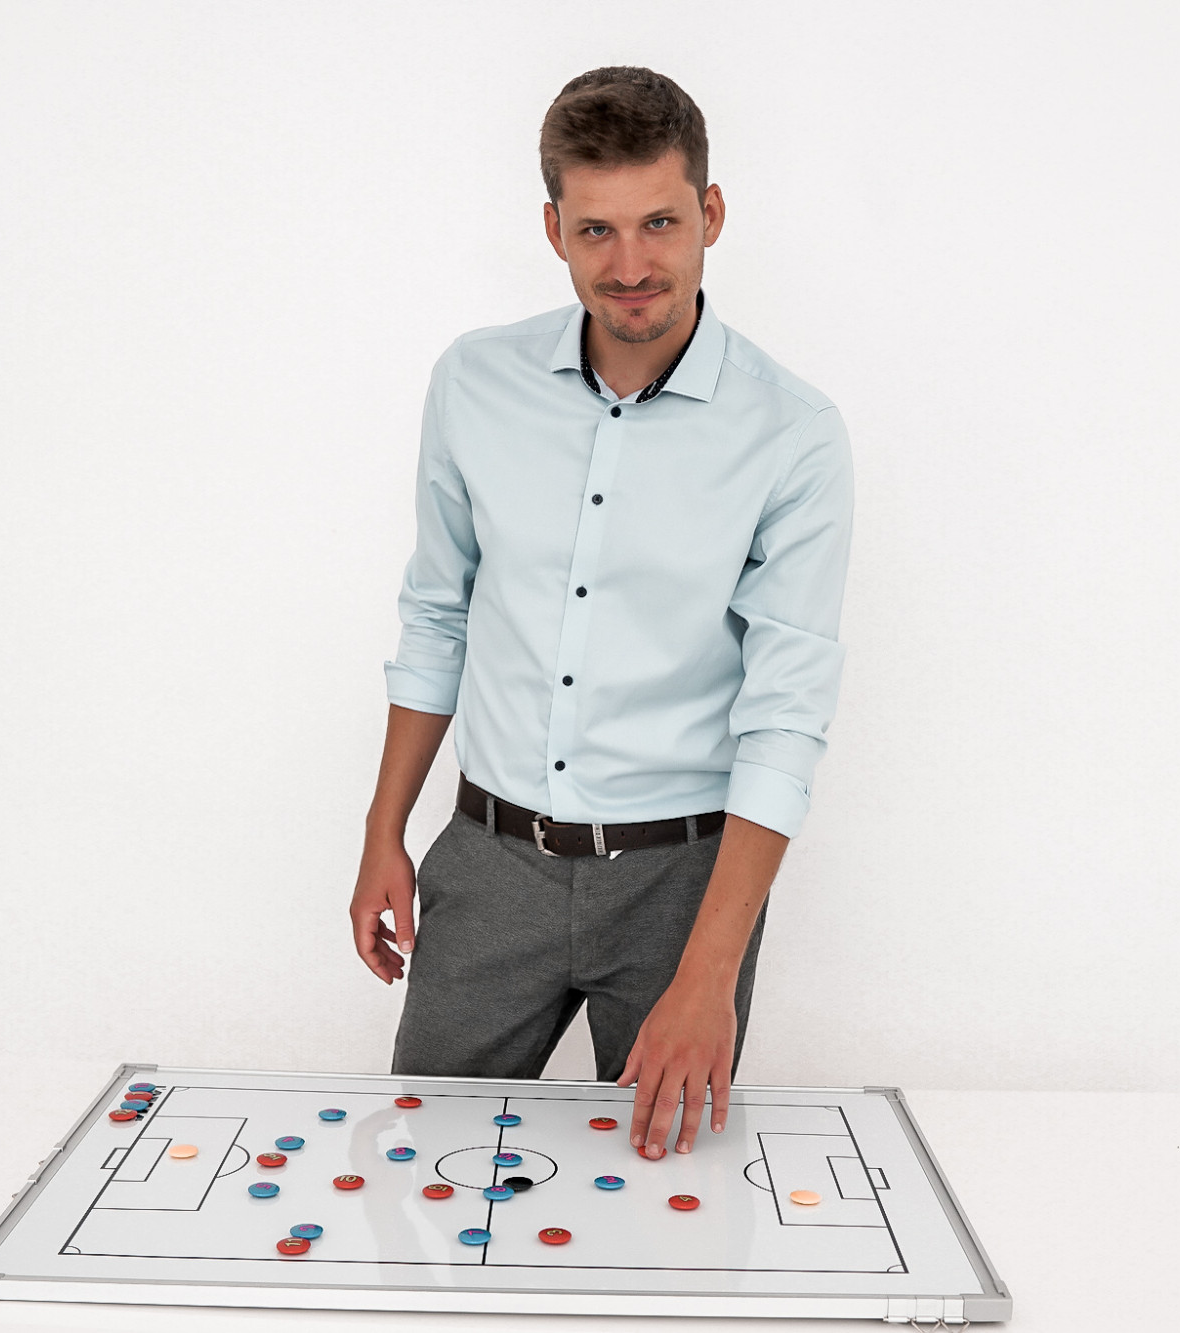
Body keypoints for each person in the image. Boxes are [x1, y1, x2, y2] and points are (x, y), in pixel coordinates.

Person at [349, 65, 853, 1162]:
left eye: (659, 223)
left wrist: (708, 975)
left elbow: (784, 718)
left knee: (667, 1198)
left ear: (710, 213)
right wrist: (385, 829)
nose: (629, 266)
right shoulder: (473, 383)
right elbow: (436, 615)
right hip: (490, 863)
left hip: (681, 885)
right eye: (596, 230)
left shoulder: (793, 434)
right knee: (420, 1172)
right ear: (554, 230)